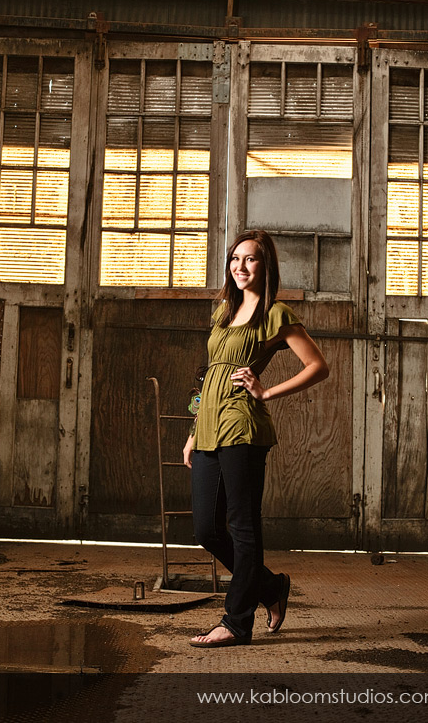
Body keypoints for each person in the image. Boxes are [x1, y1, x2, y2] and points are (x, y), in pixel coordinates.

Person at [183, 229, 329, 648]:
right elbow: (209, 375)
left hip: (242, 426)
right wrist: (193, 429)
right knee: (206, 529)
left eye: (250, 259)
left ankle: (236, 622)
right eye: (235, 259)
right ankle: (270, 587)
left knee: (243, 527)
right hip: (208, 428)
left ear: (265, 267)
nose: (240, 266)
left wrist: (265, 392)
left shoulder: (275, 314)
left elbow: (318, 366)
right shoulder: (223, 312)